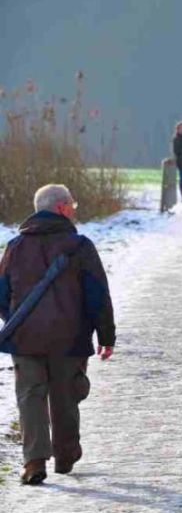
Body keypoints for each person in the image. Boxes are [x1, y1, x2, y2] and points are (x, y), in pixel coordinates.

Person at [0, 185, 115, 485]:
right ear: (62, 207)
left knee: (30, 397)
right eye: (72, 204)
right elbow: (97, 295)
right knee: (66, 395)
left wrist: (17, 319)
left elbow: (1, 295)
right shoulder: (80, 246)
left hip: (25, 339)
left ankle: (34, 461)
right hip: (70, 337)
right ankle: (65, 455)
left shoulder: (14, 247)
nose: (74, 209)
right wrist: (106, 335)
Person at [172, 122, 182, 202]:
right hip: (181, 162)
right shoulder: (176, 139)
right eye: (181, 128)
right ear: (177, 130)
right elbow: (176, 151)